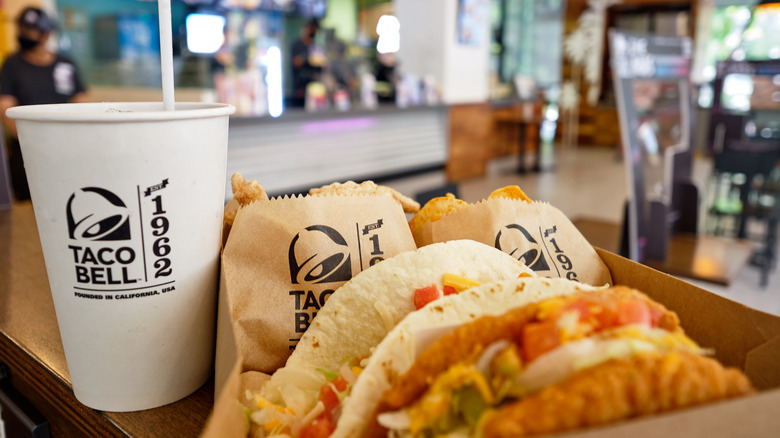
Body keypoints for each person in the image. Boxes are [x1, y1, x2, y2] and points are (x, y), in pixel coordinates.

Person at [0, 7, 87, 201]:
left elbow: (81, 103)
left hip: (66, 150)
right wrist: (33, 141)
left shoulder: (65, 63)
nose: (25, 35)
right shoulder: (12, 65)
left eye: (31, 30)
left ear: (46, 33)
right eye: (22, 29)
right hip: (26, 152)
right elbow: (6, 108)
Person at [289, 18, 322, 108]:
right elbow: (295, 62)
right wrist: (306, 58)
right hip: (300, 87)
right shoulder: (297, 45)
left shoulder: (314, 46)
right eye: (312, 29)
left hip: (314, 87)